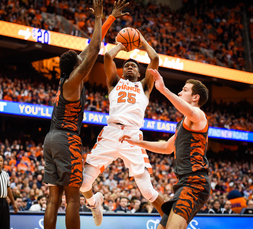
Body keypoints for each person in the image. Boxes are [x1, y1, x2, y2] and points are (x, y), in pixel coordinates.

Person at [43, 1, 129, 228]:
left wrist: (110, 18)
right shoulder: (73, 82)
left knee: (53, 199)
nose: (83, 59)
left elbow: (91, 47)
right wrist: (100, 18)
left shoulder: (66, 78)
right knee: (72, 198)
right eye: (80, 60)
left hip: (51, 139)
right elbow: (94, 49)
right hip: (65, 139)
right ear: (76, 67)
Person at [80, 27, 164, 227]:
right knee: (83, 184)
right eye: (126, 65)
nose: (129, 67)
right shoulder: (114, 82)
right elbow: (108, 56)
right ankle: (94, 203)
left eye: (133, 66)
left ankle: (170, 220)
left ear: (139, 72)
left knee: (147, 191)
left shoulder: (144, 86)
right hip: (111, 132)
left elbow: (155, 60)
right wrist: (123, 44)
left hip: (133, 136)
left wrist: (141, 40)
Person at [120, 69, 210, 229]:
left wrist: (163, 89)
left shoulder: (199, 116)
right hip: (183, 183)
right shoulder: (182, 124)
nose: (180, 92)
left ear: (195, 97)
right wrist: (137, 142)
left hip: (194, 183)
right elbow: (167, 147)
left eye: (185, 90)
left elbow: (190, 111)